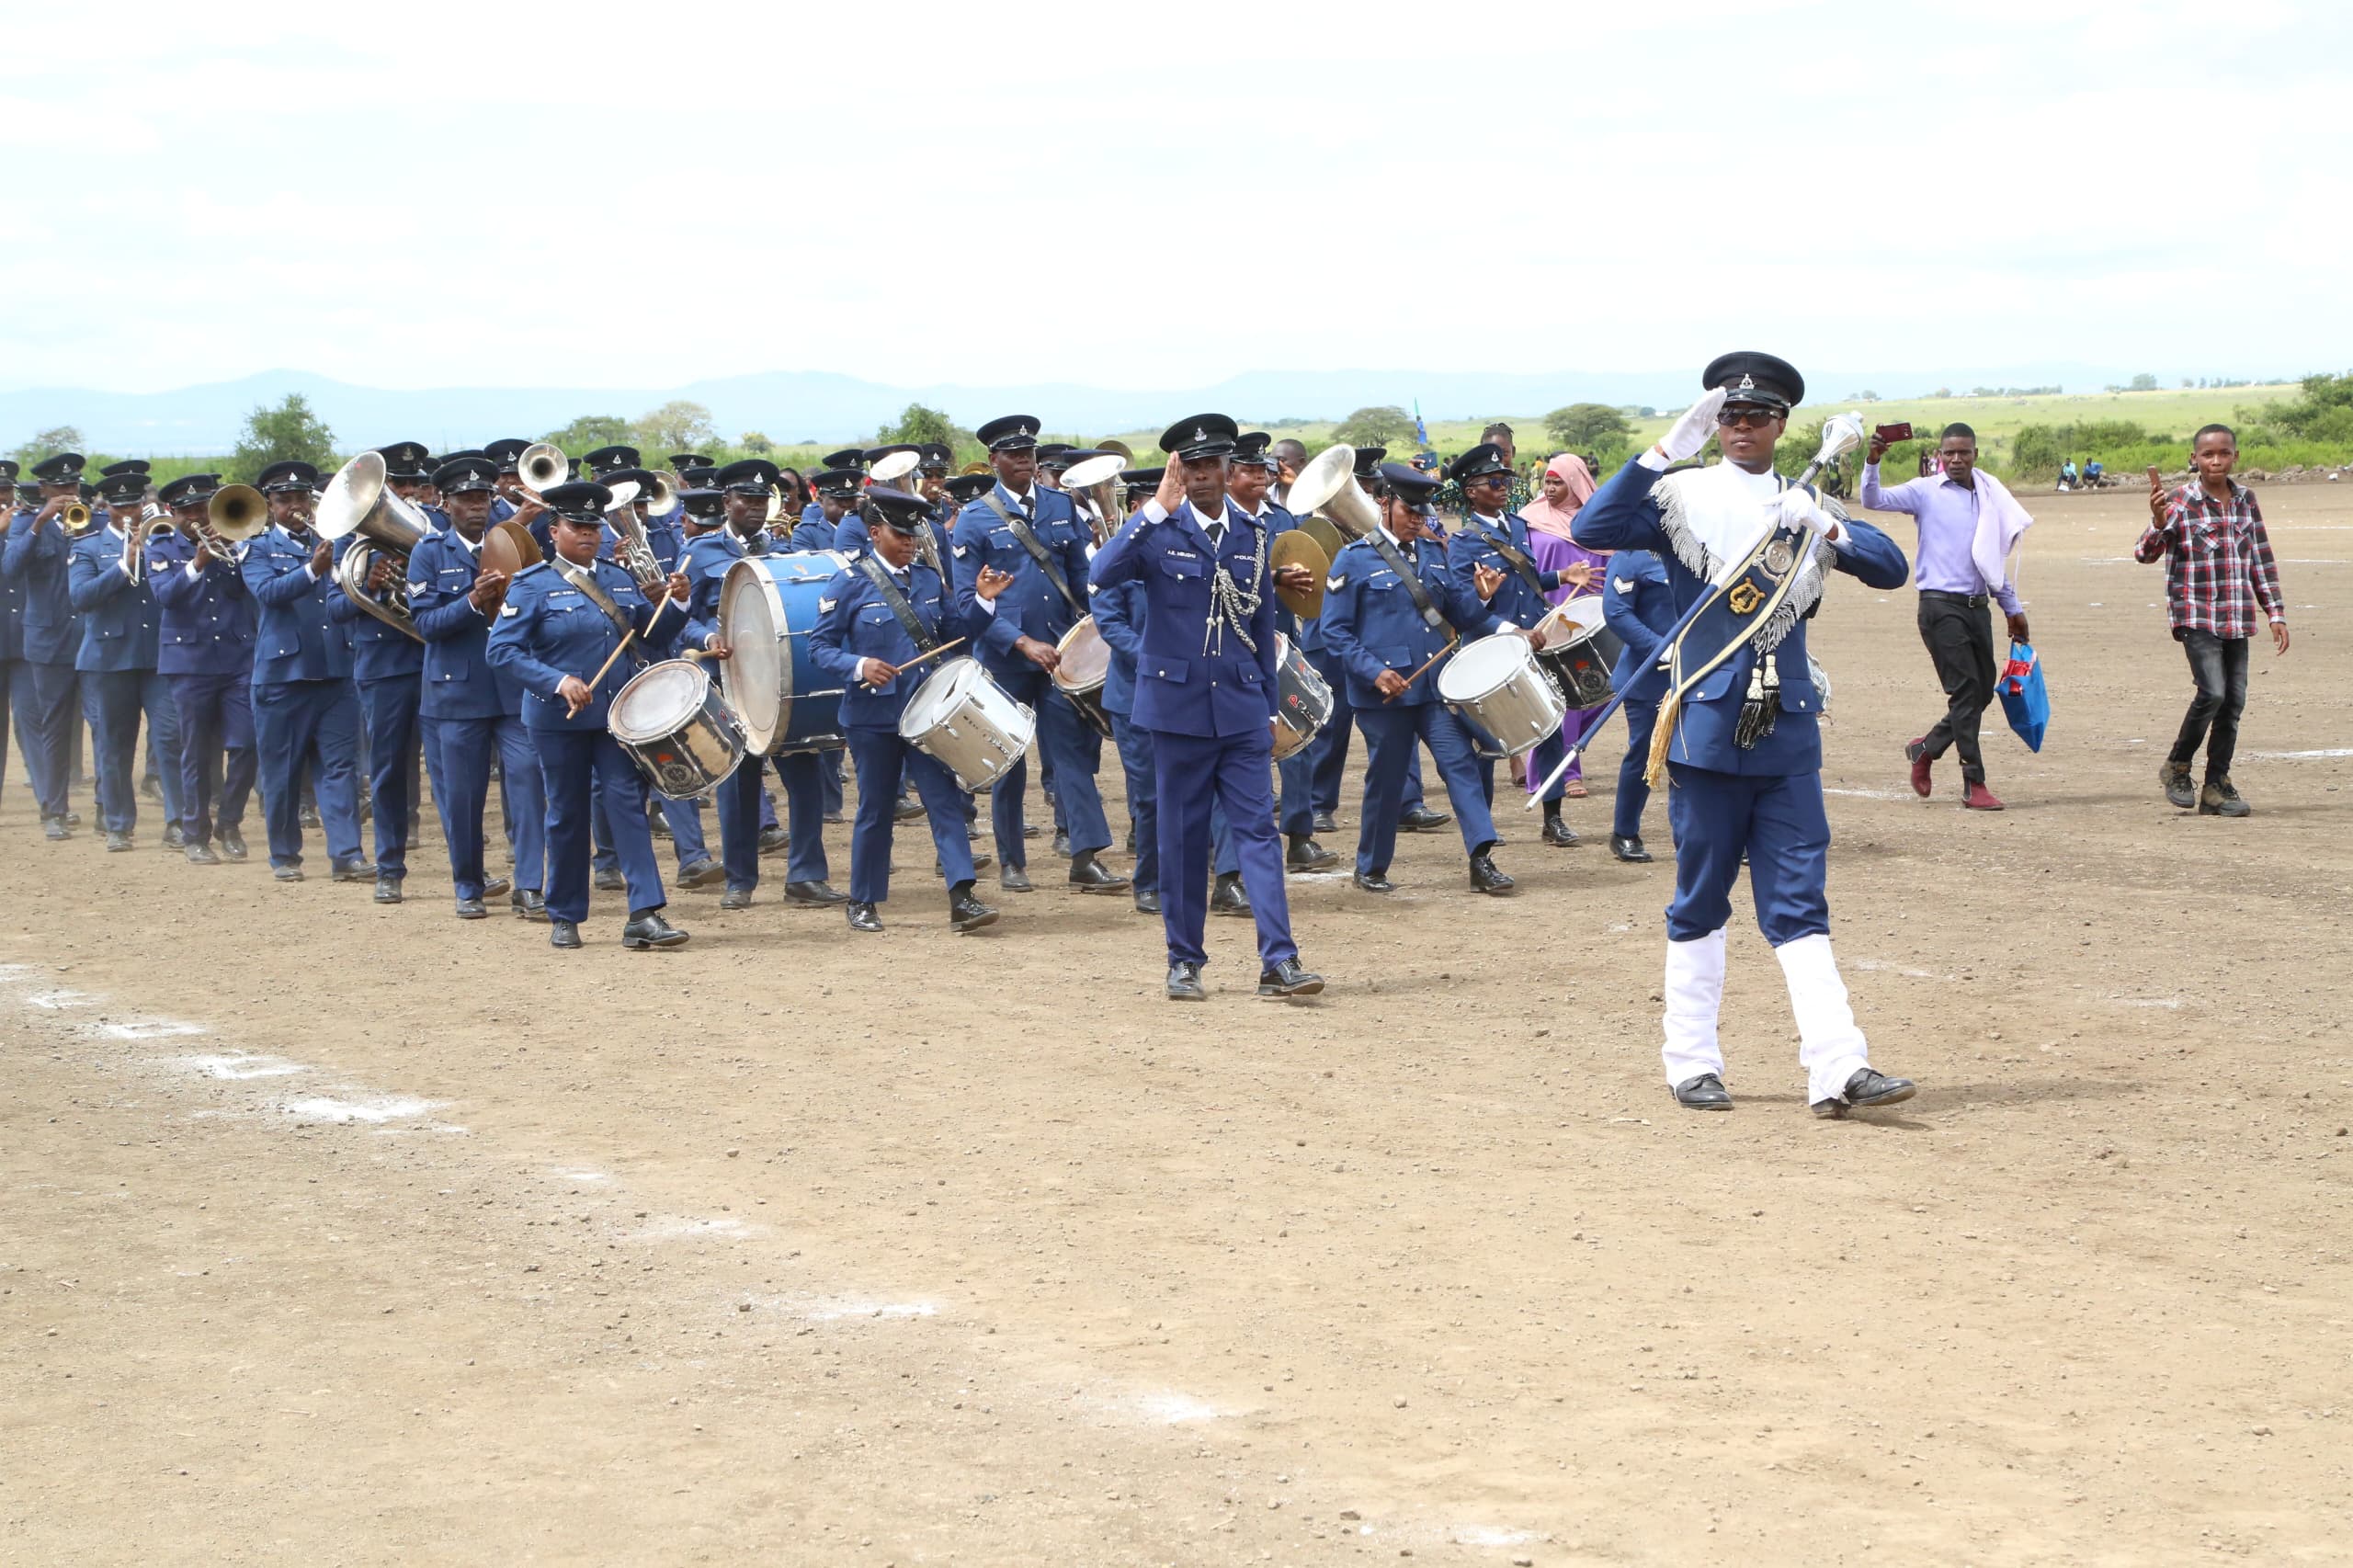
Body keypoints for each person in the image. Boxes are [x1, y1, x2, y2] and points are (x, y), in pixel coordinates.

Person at [1573, 351, 1917, 1119]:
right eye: (1728, 416)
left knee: (1800, 903)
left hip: (1785, 733)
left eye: (1757, 416)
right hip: (1706, 731)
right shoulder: (1681, 495)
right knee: (1700, 898)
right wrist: (1667, 448)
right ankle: (1691, 1062)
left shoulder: (1805, 500)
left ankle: (1838, 1066)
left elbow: (1892, 568)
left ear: (1781, 425)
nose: (1741, 427)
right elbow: (1594, 527)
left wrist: (1828, 524)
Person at [1087, 414, 1322, 1001]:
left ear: (1225, 468)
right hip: (1176, 711)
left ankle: (1280, 960)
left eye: (1208, 465)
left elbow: (1263, 626)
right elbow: (1102, 574)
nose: (1199, 475)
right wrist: (1153, 510)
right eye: (1188, 466)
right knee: (1184, 839)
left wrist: (1269, 708)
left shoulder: (1252, 535)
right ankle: (1185, 959)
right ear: (1178, 471)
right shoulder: (1157, 531)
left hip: (1241, 709)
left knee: (1259, 834)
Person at [486, 481, 695, 950]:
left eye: (592, 527)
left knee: (627, 804)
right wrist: (557, 681)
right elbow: (501, 651)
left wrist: (678, 601)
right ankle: (565, 914)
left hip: (615, 716)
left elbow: (651, 634)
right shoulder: (532, 584)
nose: (587, 534)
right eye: (576, 526)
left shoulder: (617, 577)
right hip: (556, 719)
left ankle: (644, 913)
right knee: (567, 812)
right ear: (554, 531)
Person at [808, 485, 1011, 933]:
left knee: (944, 802)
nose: (909, 543)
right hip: (872, 718)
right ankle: (863, 900)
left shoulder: (927, 580)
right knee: (876, 810)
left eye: (912, 536)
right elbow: (819, 648)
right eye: (900, 535)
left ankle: (963, 896)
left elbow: (958, 635)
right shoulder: (849, 582)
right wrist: (859, 665)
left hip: (927, 715)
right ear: (875, 533)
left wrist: (983, 600)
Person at [1319, 461, 1518, 896]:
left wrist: (1496, 614)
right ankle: (1371, 866)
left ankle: (1482, 858)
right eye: (1409, 511)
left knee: (1461, 764)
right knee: (1387, 780)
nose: (1416, 521)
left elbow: (1462, 611)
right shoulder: (1353, 559)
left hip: (1434, 688)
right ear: (1384, 503)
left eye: (1422, 513)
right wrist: (1375, 671)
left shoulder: (1432, 553)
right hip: (1384, 696)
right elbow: (1334, 632)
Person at [950, 414, 1126, 894]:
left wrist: (1097, 627)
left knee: (1071, 754)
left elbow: (1080, 578)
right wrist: (1020, 641)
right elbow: (966, 602)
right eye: (1013, 454)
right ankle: (1012, 861)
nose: (1024, 461)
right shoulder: (974, 518)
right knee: (1008, 760)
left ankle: (1085, 855)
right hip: (1006, 659)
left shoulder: (1059, 504)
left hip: (1061, 653)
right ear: (994, 461)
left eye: (1028, 453)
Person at [1861, 422, 2032, 810]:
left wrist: (2013, 609)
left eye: (1963, 453)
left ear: (1975, 455)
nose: (1956, 459)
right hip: (1940, 606)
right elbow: (1873, 499)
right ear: (1939, 456)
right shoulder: (1925, 492)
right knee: (1965, 691)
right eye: (1949, 453)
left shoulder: (1988, 495)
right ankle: (1974, 782)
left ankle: (1926, 747)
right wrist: (1873, 462)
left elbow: (1992, 561)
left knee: (1982, 690)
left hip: (1978, 607)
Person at [406, 454, 540, 918]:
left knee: (529, 784)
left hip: (512, 689)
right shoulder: (429, 552)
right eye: (466, 498)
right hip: (457, 694)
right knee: (463, 797)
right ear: (446, 504)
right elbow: (426, 625)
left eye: (483, 496)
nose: (477, 505)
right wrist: (472, 601)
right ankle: (468, 885)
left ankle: (530, 884)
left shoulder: (514, 543)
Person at [2136, 425, 2289, 817]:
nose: (2216, 461)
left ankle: (2216, 786)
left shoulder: (2246, 501)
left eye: (2223, 453)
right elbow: (2144, 553)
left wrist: (2275, 612)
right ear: (2195, 459)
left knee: (2233, 703)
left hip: (2236, 615)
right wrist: (2157, 520)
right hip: (2196, 614)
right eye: (2207, 454)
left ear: (2235, 456)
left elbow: (2260, 558)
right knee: (2213, 692)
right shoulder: (2178, 501)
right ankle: (2177, 765)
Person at [1444, 441, 1590, 846]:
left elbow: (1525, 580)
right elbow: (1463, 605)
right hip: (1491, 649)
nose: (1503, 488)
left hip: (1531, 644)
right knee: (1487, 742)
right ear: (1471, 491)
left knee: (1550, 727)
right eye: (1494, 482)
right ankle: (1482, 827)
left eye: (1505, 481)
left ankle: (1553, 818)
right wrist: (1510, 629)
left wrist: (1561, 576)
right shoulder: (1463, 542)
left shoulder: (1517, 525)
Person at [241, 461, 370, 883]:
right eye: (284, 500)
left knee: (340, 769)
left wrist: (365, 582)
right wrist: (313, 568)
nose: (295, 507)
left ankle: (347, 855)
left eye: (301, 498)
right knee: (282, 772)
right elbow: (267, 593)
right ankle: (284, 855)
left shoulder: (336, 541)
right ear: (270, 505)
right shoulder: (257, 548)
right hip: (284, 677)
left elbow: (348, 600)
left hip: (336, 671)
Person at [324, 456, 430, 901]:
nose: (404, 492)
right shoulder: (349, 544)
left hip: (435, 665)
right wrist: (368, 583)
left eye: (410, 484)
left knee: (450, 773)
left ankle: (471, 873)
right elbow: (336, 608)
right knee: (387, 773)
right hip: (384, 670)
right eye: (396, 485)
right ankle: (389, 867)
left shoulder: (435, 530)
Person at [68, 468, 184, 850]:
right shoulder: (87, 547)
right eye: (120, 507)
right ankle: (118, 824)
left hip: (157, 657)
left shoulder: (162, 541)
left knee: (170, 739)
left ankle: (178, 822)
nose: (128, 513)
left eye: (134, 505)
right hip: (109, 659)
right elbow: (81, 598)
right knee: (114, 745)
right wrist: (124, 564)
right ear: (107, 508)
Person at [148, 474, 256, 863]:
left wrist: (235, 550)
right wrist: (197, 562)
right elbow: (165, 595)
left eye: (202, 509)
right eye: (188, 511)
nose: (196, 517)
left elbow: (245, 590)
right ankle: (195, 833)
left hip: (237, 659)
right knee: (195, 752)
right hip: (189, 664)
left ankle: (229, 821)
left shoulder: (235, 542)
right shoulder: (161, 546)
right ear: (173, 513)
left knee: (247, 744)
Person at [4, 450, 88, 838]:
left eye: (73, 485)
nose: (68, 492)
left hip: (66, 640)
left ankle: (77, 806)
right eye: (60, 487)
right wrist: (37, 521)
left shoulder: (85, 521)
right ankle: (52, 807)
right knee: (42, 727)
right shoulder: (25, 522)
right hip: (39, 639)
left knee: (47, 723)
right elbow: (11, 567)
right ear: (43, 490)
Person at [1520, 452, 1610, 804]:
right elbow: (1524, 570)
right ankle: (1564, 773)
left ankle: (1554, 757)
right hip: (1549, 620)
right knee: (1566, 697)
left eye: (1558, 482)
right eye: (1548, 481)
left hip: (1593, 619)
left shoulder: (1598, 523)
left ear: (1575, 483)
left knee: (1603, 692)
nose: (1550, 488)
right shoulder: (1530, 519)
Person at [1600, 549, 1673, 861]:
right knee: (1645, 753)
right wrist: (1661, 647)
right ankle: (1625, 831)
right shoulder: (1633, 555)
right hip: (1650, 675)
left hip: (1703, 671)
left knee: (1707, 755)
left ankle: (1717, 835)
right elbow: (1617, 612)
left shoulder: (1701, 546)